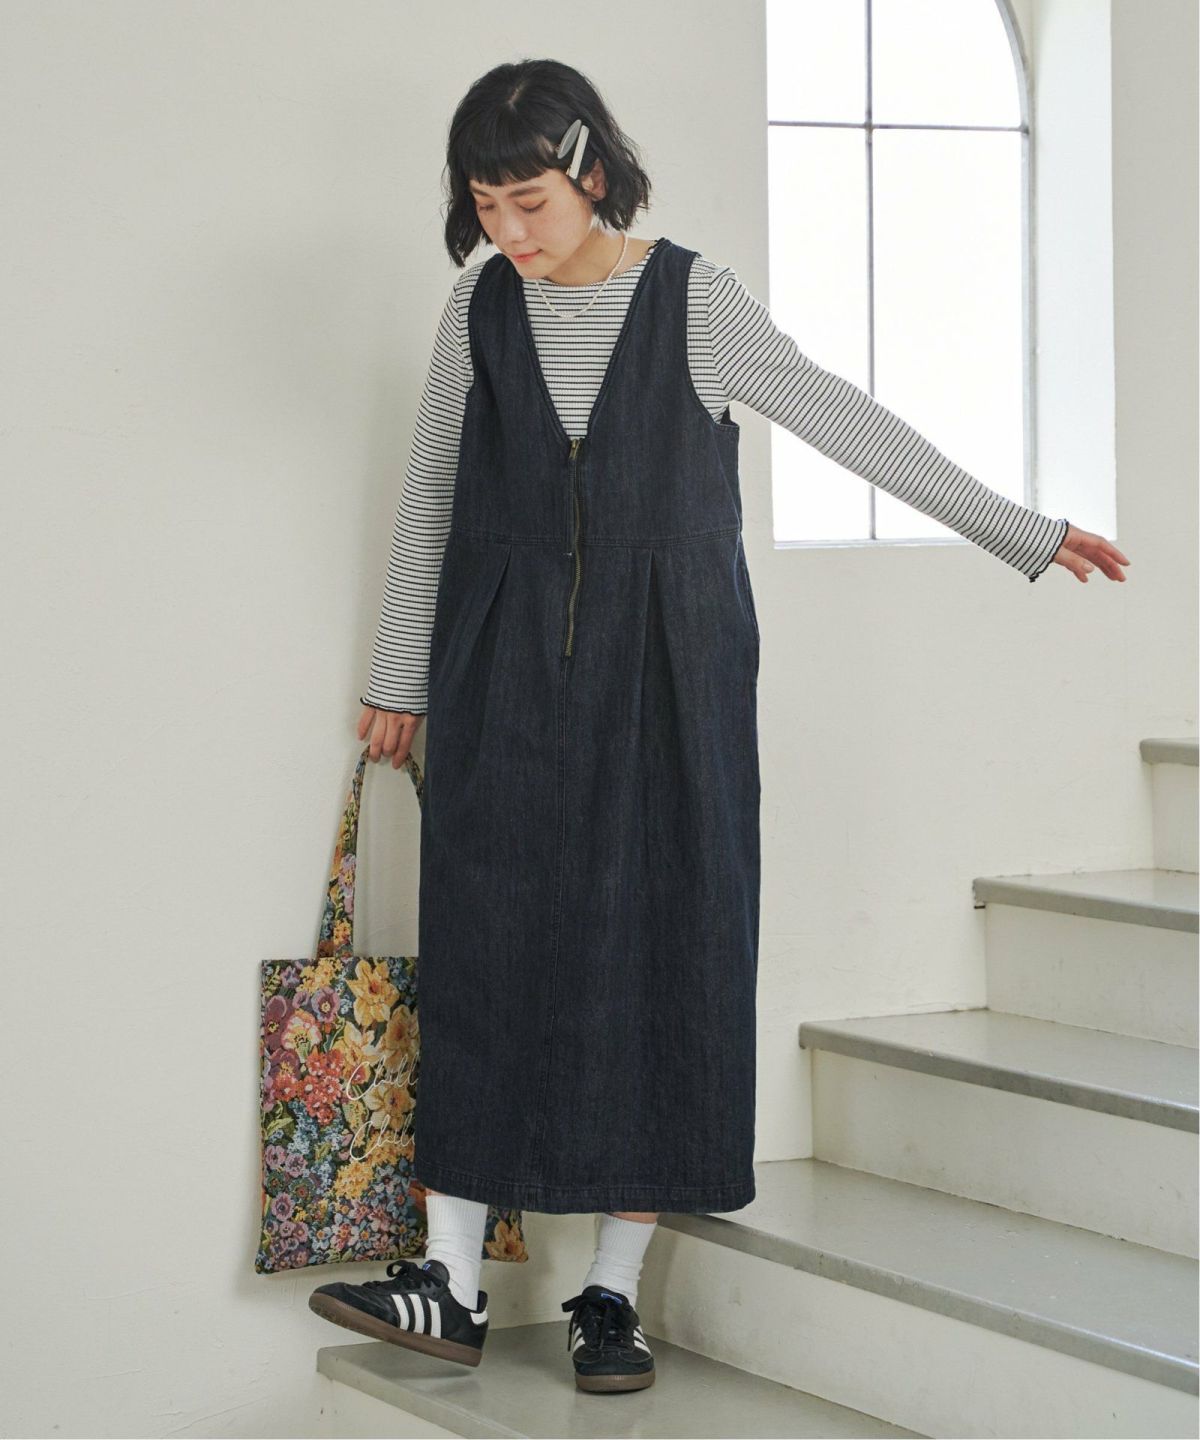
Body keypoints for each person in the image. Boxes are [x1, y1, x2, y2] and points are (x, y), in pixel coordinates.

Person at [308, 59, 1131, 1394]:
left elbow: (845, 419)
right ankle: (448, 1282)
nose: (509, 232)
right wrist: (402, 677)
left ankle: (610, 1295)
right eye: (485, 206)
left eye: (528, 202)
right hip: (500, 667)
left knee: (668, 943)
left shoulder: (695, 300)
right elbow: (431, 497)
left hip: (670, 673)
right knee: (485, 944)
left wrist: (1021, 532)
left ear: (590, 171)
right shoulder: (477, 309)